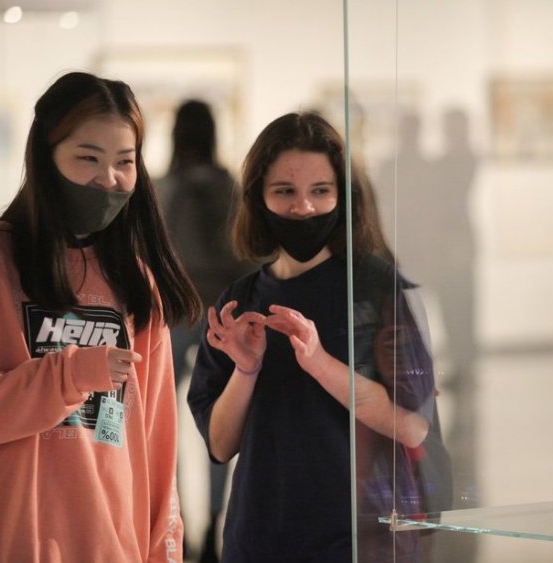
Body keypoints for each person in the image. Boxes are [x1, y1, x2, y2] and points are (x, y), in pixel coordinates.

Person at [0, 71, 200, 562]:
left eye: (124, 162)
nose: (108, 179)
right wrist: (67, 376)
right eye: (88, 158)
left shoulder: (136, 280)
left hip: (108, 546)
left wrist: (165, 553)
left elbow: (154, 447)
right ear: (46, 158)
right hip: (2, 541)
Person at [187, 112, 452, 562]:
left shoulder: (377, 290)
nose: (304, 208)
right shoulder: (240, 301)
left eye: (320, 191)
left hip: (361, 538)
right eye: (284, 191)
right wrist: (246, 371)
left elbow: (415, 427)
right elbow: (220, 443)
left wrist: (320, 363)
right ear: (259, 198)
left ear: (342, 196)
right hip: (260, 538)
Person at [157, 99, 249, 562]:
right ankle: (214, 522)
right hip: (222, 312)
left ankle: (172, 519)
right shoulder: (229, 187)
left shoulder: (162, 188)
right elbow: (245, 253)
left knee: (162, 423)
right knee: (218, 424)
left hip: (173, 313)